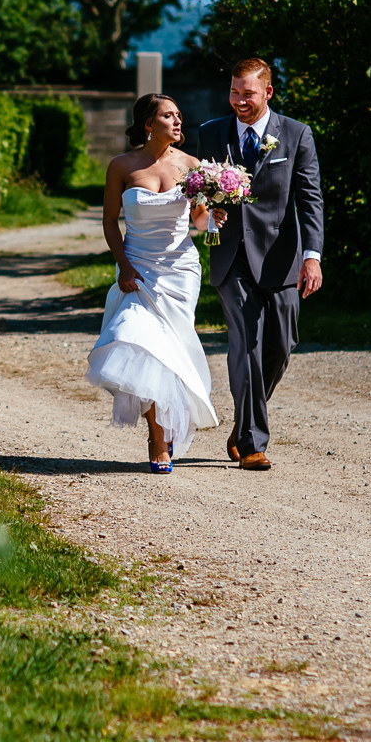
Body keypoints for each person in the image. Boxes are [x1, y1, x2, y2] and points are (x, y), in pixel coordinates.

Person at [193, 58, 323, 471]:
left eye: (247, 93)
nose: (239, 101)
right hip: (232, 258)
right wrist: (207, 212)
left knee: (281, 347)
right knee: (245, 345)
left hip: (282, 258)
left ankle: (244, 421)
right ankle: (252, 444)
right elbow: (198, 193)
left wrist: (312, 256)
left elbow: (309, 199)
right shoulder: (210, 133)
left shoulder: (296, 134)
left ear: (267, 92)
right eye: (234, 92)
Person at [86, 93, 220, 473]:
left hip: (179, 271)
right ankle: (158, 437)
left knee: (170, 353)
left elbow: (198, 219)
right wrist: (123, 266)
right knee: (139, 342)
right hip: (137, 267)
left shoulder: (193, 166)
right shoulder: (121, 166)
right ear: (148, 124)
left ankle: (165, 429)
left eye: (179, 115)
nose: (178, 122)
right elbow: (110, 220)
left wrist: (212, 220)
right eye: (168, 116)